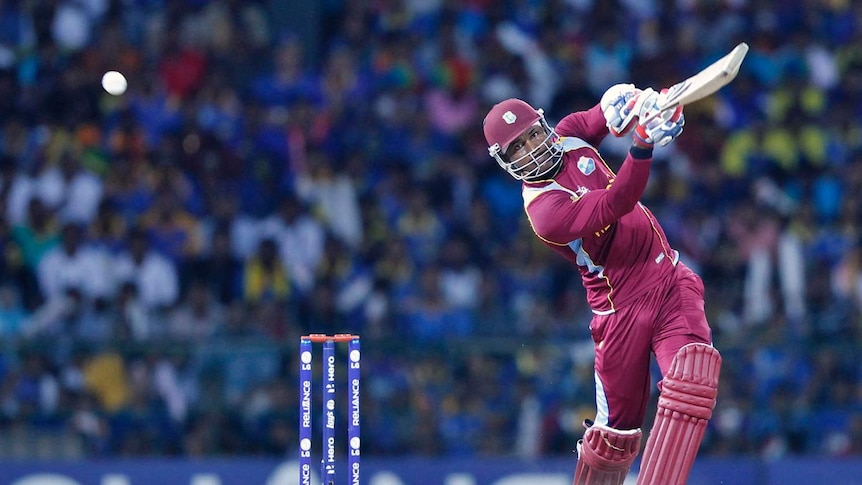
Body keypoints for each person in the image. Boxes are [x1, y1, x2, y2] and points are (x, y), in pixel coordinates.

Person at [482, 85, 721, 485]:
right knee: (614, 440)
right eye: (517, 148)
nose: (532, 147)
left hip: (669, 282)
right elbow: (616, 202)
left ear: (544, 125)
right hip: (619, 313)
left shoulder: (570, 132)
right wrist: (643, 144)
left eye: (533, 134)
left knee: (691, 377)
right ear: (506, 163)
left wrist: (652, 106)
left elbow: (610, 111)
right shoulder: (544, 210)